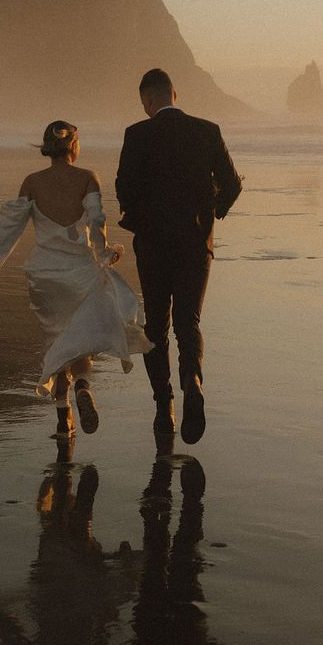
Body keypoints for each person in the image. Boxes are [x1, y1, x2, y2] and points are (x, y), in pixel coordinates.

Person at [0, 120, 152, 438]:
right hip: (80, 273)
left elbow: (7, 234)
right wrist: (107, 254)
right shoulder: (87, 178)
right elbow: (97, 225)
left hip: (45, 277)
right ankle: (83, 385)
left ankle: (63, 417)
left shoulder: (31, 182)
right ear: (74, 146)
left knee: (57, 342)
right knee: (80, 345)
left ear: (48, 148)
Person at [115, 69, 243, 443]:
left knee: (156, 325)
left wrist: (138, 216)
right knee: (189, 321)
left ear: (147, 100)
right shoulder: (208, 130)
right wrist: (210, 215)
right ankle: (194, 381)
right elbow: (233, 185)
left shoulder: (137, 135)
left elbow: (125, 188)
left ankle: (163, 405)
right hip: (195, 243)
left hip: (153, 245)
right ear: (175, 93)